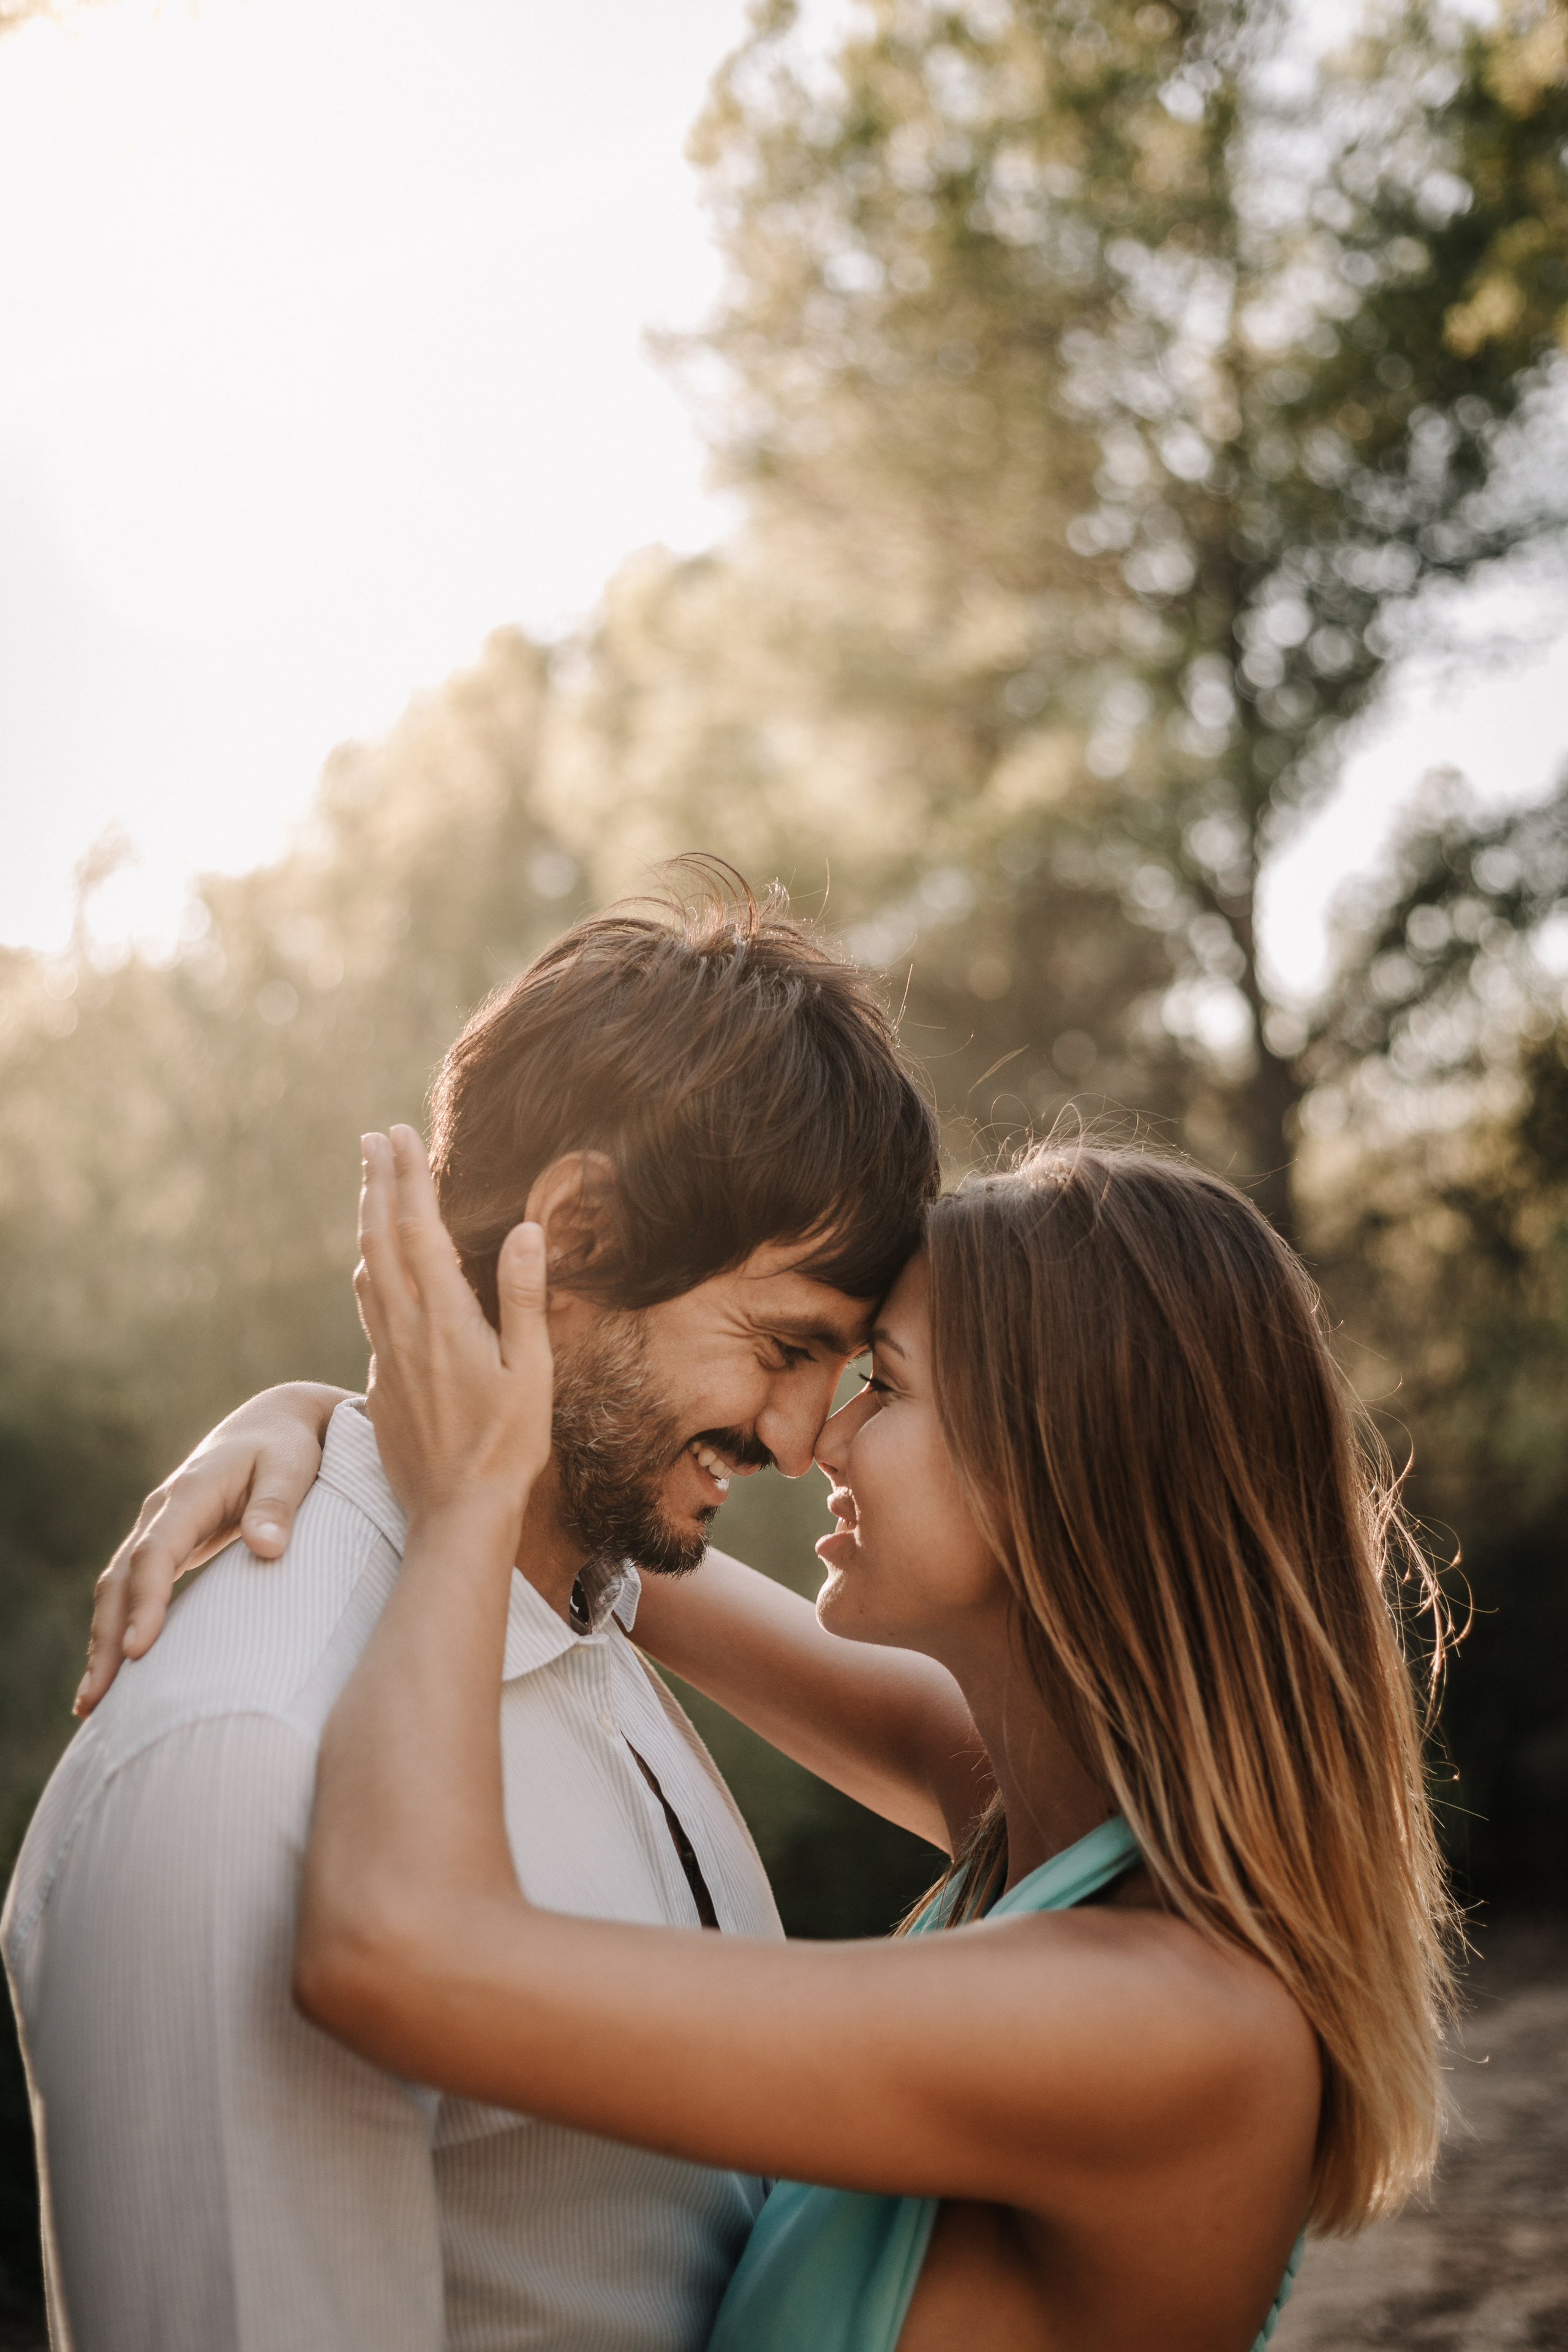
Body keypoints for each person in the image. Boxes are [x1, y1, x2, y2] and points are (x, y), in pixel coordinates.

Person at [80, 1123, 1458, 2350]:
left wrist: (451, 1513)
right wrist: (326, 1419)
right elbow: (603, 1530)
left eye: (885, 1388)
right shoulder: (1044, 1811)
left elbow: (392, 1957)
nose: (818, 1441)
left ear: (1058, 1473)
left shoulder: (1157, 2026)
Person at [3, 876, 967, 2352]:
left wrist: (334, 1412)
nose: (795, 1438)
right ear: (571, 1235)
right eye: (782, 1345)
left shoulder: (601, 1602)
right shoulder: (238, 1765)